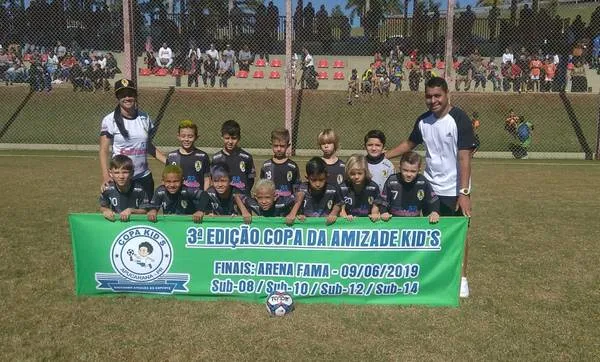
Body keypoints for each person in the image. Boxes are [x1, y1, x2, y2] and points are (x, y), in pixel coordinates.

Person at [386, 77, 477, 298]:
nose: (433, 100)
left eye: (437, 96)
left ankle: (462, 279)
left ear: (447, 95)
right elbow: (409, 144)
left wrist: (463, 193)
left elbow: (465, 158)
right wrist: (381, 157)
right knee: (429, 233)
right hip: (429, 187)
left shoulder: (460, 119)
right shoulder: (423, 121)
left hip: (454, 189)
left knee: (458, 234)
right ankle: (430, 275)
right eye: (429, 96)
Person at [99, 79, 166, 197]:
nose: (127, 98)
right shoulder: (109, 120)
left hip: (143, 177)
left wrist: (169, 162)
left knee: (146, 213)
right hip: (122, 178)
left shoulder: (144, 117)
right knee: (122, 214)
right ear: (117, 97)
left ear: (135, 96)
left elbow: (147, 146)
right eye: (123, 95)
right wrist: (106, 176)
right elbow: (103, 150)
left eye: (130, 94)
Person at [380, 151, 440, 223]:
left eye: (413, 171)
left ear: (419, 170)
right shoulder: (392, 180)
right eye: (405, 170)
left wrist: (434, 212)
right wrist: (383, 212)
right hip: (393, 222)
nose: (409, 174)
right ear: (400, 168)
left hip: (414, 224)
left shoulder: (422, 181)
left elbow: (433, 200)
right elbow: (383, 200)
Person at [285, 157, 342, 226]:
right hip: (307, 227)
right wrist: (297, 214)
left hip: (325, 227)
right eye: (314, 180)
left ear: (327, 177)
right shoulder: (301, 189)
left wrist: (333, 213)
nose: (318, 184)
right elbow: (291, 214)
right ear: (307, 178)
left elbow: (338, 203)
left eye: (321, 180)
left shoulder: (332, 190)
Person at [99, 155, 149, 222]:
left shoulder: (139, 190)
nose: (121, 176)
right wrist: (106, 210)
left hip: (133, 224)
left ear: (132, 173)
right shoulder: (107, 189)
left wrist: (131, 210)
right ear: (110, 173)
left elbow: (145, 210)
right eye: (116, 173)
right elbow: (103, 206)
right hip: (116, 223)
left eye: (125, 172)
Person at [212, 120, 256, 195]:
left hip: (242, 197)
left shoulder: (246, 157)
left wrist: (245, 193)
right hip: (223, 199)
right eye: (227, 138)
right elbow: (213, 179)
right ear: (222, 137)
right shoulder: (216, 159)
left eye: (233, 138)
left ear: (239, 138)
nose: (230, 141)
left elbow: (250, 179)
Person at [166, 120, 210, 191]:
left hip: (197, 198)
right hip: (178, 198)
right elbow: (167, 178)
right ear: (178, 136)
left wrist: (204, 196)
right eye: (183, 136)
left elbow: (207, 179)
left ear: (196, 137)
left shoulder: (203, 156)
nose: (186, 139)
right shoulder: (171, 157)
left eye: (190, 136)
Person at [338, 154, 382, 222]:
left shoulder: (373, 187)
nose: (356, 177)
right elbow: (341, 210)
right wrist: (345, 217)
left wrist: (374, 214)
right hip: (349, 223)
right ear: (347, 172)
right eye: (352, 174)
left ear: (365, 172)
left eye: (360, 173)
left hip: (367, 223)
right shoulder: (342, 188)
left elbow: (375, 207)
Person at [260, 128, 300, 198]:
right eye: (275, 146)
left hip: (287, 203)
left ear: (288, 146)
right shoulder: (266, 165)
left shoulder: (292, 166)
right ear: (271, 144)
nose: (279, 149)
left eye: (282, 146)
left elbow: (296, 186)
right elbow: (262, 185)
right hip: (270, 203)